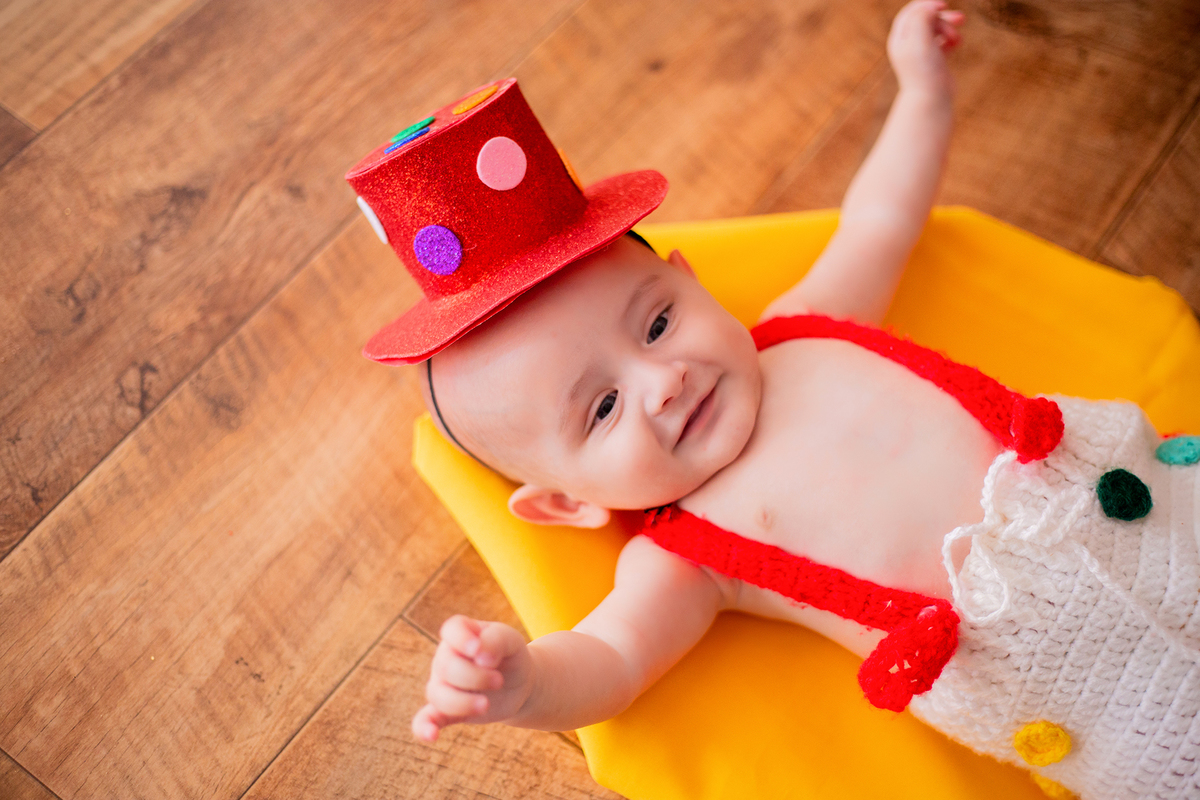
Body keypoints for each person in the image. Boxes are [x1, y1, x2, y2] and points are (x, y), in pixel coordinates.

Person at [344, 3, 1200, 797]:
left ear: (693, 284)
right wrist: (525, 683)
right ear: (567, 504)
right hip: (1095, 685)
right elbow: (609, 658)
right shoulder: (687, 553)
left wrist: (921, 90)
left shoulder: (802, 328)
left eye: (658, 324)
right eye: (601, 410)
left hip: (1149, 499)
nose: (664, 380)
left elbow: (881, 218)